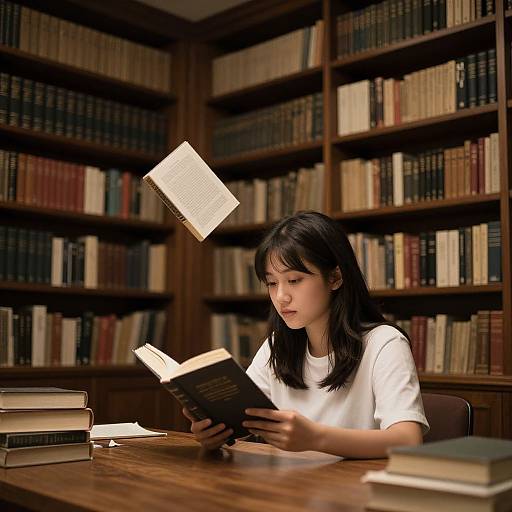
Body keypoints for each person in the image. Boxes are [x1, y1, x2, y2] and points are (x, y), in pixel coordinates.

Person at [183, 211, 428, 458]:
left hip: (355, 489)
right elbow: (245, 420)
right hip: (289, 488)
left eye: (294, 280)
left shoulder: (384, 344)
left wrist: (316, 438)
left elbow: (407, 440)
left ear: (335, 277)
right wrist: (213, 432)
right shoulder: (276, 346)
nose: (281, 297)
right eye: (272, 283)